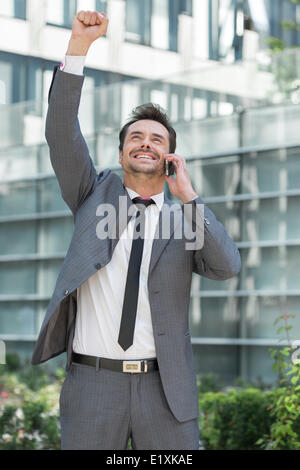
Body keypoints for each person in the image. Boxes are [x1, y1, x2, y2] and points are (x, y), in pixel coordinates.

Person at [31, 10, 241, 450]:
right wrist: (78, 48)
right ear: (123, 150)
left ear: (169, 158)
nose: (146, 142)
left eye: (157, 139)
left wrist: (191, 199)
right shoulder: (92, 192)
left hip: (164, 390)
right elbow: (60, 133)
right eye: (136, 137)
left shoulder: (186, 218)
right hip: (93, 384)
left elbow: (226, 267)